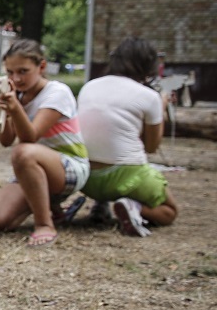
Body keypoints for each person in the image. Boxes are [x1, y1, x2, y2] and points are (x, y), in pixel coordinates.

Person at [0, 39, 89, 247]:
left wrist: (16, 109)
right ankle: (55, 209)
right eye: (10, 72)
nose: (16, 78)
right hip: (32, 170)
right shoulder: (17, 95)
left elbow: (30, 137)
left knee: (23, 153)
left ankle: (45, 224)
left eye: (23, 71)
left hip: (70, 167)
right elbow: (5, 140)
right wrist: (7, 111)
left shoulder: (58, 93)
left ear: (42, 67)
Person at [77, 37, 179, 236]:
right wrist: (162, 105)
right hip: (128, 176)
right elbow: (151, 146)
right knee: (169, 212)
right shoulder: (149, 96)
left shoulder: (89, 86)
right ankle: (134, 207)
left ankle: (101, 204)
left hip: (86, 178)